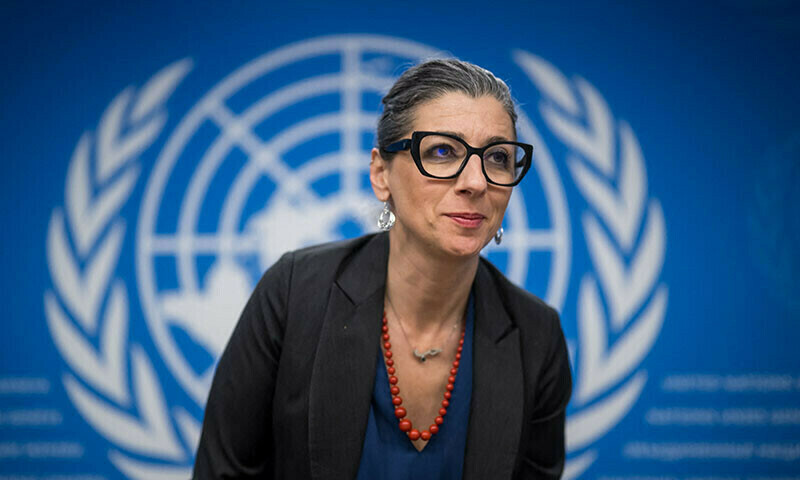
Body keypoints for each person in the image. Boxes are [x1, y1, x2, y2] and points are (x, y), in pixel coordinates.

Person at [193, 58, 572, 480]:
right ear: (381, 175)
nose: (476, 182)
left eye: (498, 157)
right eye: (442, 151)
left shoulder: (537, 335)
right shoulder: (294, 293)